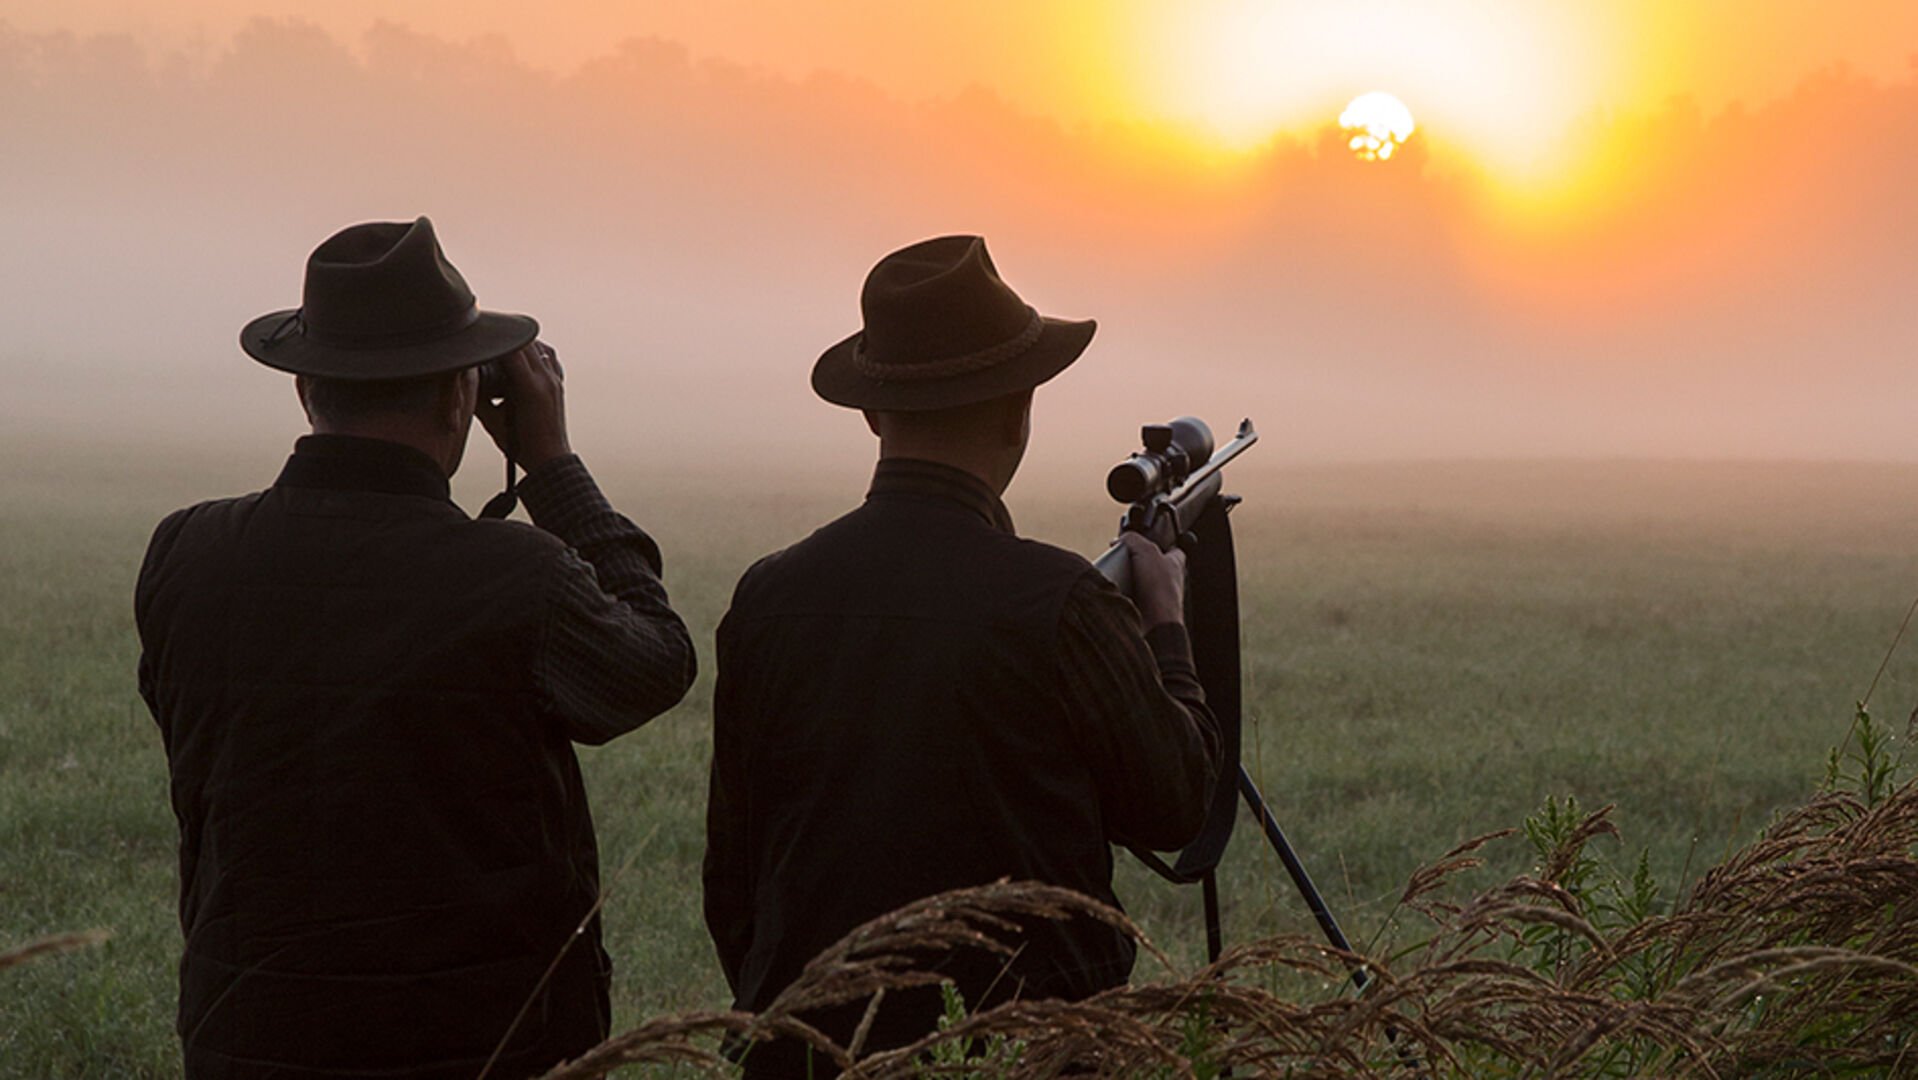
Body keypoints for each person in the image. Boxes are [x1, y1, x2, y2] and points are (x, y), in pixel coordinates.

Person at [135, 217, 696, 1079]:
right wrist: (551, 465)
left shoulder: (186, 555)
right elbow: (655, 664)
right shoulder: (517, 578)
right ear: (460, 397)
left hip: (246, 1034)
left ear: (304, 389)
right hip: (482, 1047)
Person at [703, 235, 1221, 1076]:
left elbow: (734, 877)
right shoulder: (1061, 602)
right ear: (1021, 405)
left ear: (872, 412)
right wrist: (1165, 622)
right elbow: (1178, 805)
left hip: (809, 1047)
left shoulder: (768, 595)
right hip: (1024, 1055)